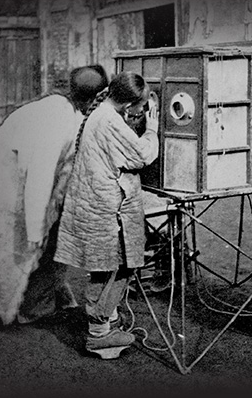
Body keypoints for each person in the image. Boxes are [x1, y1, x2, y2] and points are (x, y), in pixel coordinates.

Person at [0, 65, 110, 325]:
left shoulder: (65, 107)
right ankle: (7, 304)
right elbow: (40, 177)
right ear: (94, 99)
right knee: (6, 245)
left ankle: (38, 297)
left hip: (7, 171)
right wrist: (35, 229)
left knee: (27, 239)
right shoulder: (59, 120)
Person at [53, 71, 160, 360]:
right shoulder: (111, 120)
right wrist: (153, 128)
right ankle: (99, 334)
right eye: (141, 106)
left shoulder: (101, 112)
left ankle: (106, 321)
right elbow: (143, 155)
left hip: (94, 202)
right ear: (129, 106)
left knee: (105, 265)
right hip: (105, 206)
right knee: (118, 265)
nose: (142, 111)